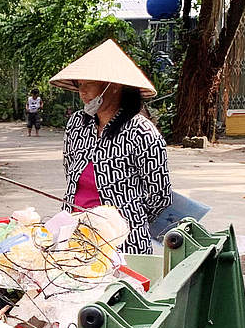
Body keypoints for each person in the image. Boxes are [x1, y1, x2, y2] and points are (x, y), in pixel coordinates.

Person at [50, 39, 171, 256]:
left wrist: (127, 218)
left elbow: (159, 196)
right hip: (75, 236)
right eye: (79, 84)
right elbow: (70, 173)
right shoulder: (77, 124)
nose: (82, 92)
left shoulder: (141, 132)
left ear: (113, 86)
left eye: (88, 84)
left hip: (123, 243)